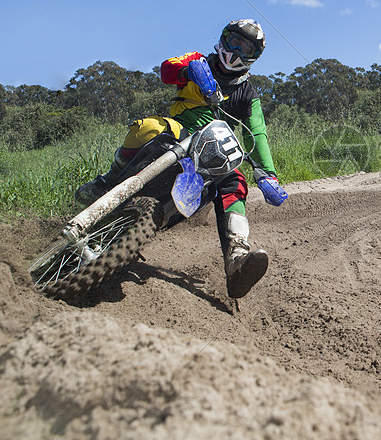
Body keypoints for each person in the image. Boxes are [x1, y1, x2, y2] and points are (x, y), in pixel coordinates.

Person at [76, 19, 280, 299]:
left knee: (234, 180)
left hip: (212, 150)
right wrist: (189, 70)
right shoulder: (200, 61)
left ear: (254, 58)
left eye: (247, 49)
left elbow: (256, 133)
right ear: (225, 39)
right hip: (179, 131)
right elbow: (166, 70)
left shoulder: (248, 94)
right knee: (147, 127)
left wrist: (267, 174)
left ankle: (237, 259)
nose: (238, 51)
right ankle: (108, 180)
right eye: (235, 42)